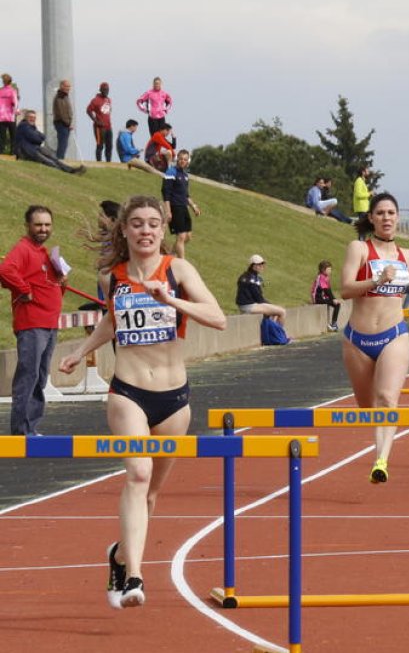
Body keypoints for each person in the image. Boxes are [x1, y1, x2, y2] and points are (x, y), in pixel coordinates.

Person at [58, 195, 226, 609]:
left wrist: (171, 300)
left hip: (174, 399)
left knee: (150, 494)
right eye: (137, 224)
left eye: (153, 223)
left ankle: (118, 556)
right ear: (126, 231)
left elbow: (218, 317)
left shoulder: (179, 270)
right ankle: (135, 577)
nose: (146, 231)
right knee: (137, 474)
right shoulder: (110, 277)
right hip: (128, 391)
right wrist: (81, 351)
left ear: (163, 231)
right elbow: (113, 319)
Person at [340, 193, 409, 483]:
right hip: (357, 339)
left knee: (387, 399)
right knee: (368, 408)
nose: (386, 218)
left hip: (394, 334)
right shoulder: (359, 249)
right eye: (380, 213)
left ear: (398, 217)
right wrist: (377, 280)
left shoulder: (407, 256)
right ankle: (380, 449)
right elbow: (344, 289)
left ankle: (381, 461)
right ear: (371, 218)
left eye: (391, 212)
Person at [1, 206, 66, 436]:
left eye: (47, 225)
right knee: (28, 375)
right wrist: (23, 288)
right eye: (38, 225)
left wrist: (61, 279)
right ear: (28, 225)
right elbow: (6, 269)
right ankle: (21, 430)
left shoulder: (44, 252)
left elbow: (52, 283)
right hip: (32, 323)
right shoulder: (23, 249)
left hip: (49, 323)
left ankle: (31, 426)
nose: (43, 229)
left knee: (40, 376)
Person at [14, 110, 85, 174]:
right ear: (26, 118)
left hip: (34, 148)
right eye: (30, 117)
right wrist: (39, 137)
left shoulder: (32, 127)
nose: (32, 119)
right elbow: (36, 138)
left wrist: (39, 137)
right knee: (47, 161)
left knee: (53, 157)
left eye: (34, 118)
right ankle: (63, 172)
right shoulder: (24, 126)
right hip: (26, 151)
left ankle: (71, 170)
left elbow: (42, 136)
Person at [162, 150, 201, 258]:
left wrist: (193, 206)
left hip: (183, 207)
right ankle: (182, 262)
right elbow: (166, 193)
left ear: (187, 161)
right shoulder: (171, 172)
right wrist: (168, 210)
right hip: (175, 207)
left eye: (185, 159)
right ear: (177, 159)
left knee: (188, 236)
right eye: (180, 159)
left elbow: (186, 195)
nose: (182, 161)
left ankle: (170, 255)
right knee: (181, 236)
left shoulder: (185, 175)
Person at [236, 254, 287, 329]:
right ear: (252, 265)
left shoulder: (249, 276)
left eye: (262, 264)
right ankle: (280, 336)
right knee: (282, 312)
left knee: (275, 310)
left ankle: (273, 335)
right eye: (259, 264)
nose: (262, 266)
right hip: (249, 306)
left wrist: (270, 305)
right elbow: (259, 299)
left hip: (249, 305)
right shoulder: (252, 279)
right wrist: (270, 305)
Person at [86, 82, 114, 162]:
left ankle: (108, 162)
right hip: (100, 127)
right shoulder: (95, 100)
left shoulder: (108, 100)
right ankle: (99, 162)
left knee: (109, 146)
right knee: (100, 145)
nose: (106, 91)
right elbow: (88, 110)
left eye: (107, 90)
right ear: (101, 90)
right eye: (104, 90)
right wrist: (95, 121)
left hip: (108, 126)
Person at [311, 260, 342, 331]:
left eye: (330, 269)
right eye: (328, 269)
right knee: (337, 304)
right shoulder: (321, 277)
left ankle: (334, 324)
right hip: (317, 298)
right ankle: (334, 325)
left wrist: (333, 298)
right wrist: (333, 299)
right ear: (323, 270)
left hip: (323, 297)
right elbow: (325, 290)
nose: (330, 271)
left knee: (337, 304)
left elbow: (329, 289)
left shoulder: (326, 277)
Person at [52, 79, 74, 160]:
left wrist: (69, 122)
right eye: (66, 86)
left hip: (65, 123)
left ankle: (60, 158)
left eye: (69, 86)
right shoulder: (60, 96)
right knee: (62, 142)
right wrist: (68, 123)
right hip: (61, 123)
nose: (68, 88)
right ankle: (59, 159)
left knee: (64, 143)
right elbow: (62, 112)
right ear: (61, 86)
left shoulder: (65, 96)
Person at [1, 73, 20, 155]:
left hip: (1, 116)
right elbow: (15, 102)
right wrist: (16, 111)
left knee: (2, 136)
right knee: (13, 135)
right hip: (10, 116)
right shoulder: (13, 91)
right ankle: (13, 152)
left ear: (3, 82)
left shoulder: (0, 91)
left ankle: (1, 151)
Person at [353, 167, 372, 233]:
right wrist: (369, 193)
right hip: (361, 207)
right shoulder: (359, 181)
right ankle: (361, 242)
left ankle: (362, 241)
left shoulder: (362, 181)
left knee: (364, 228)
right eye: (367, 171)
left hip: (364, 207)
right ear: (363, 172)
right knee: (363, 229)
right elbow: (358, 194)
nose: (368, 172)